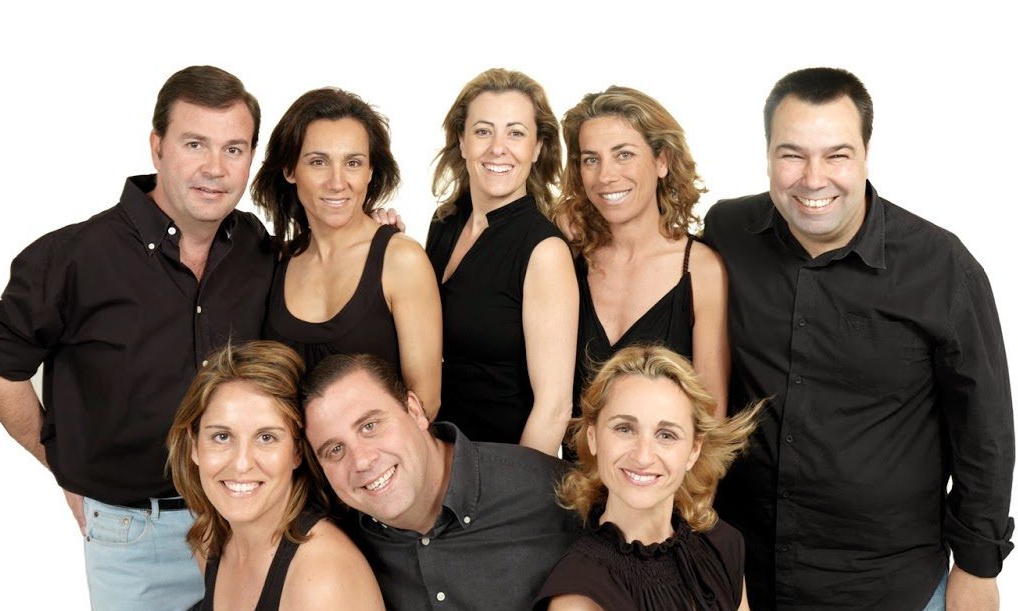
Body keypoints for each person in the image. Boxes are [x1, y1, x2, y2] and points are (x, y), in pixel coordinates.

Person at [705, 67, 1014, 610]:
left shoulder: (941, 266)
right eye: (792, 154)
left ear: (866, 154)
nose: (813, 178)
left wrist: (977, 567)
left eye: (837, 155)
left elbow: (984, 430)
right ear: (767, 154)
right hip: (744, 580)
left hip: (891, 587)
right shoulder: (728, 232)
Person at [0, 65, 274, 609]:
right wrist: (60, 463)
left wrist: (375, 234)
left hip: (247, 524)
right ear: (157, 147)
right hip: (136, 538)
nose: (215, 168)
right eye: (195, 144)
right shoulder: (77, 257)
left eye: (234, 149)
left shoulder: (253, 245)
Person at [300, 353, 581, 611]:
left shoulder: (555, 492)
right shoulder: (337, 550)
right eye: (335, 450)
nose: (361, 461)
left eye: (369, 426)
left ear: (414, 411)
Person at [251, 88, 442, 417]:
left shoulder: (401, 261)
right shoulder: (276, 261)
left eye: (353, 163)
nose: (337, 182)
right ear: (290, 170)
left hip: (381, 452)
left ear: (370, 171)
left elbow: (425, 403)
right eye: (318, 162)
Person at [535, 344, 761, 610]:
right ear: (593, 437)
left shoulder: (723, 544)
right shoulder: (579, 596)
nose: (643, 457)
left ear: (694, 450)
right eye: (625, 429)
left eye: (666, 435)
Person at [165, 340, 384, 611]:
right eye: (221, 436)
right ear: (194, 445)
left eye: (266, 437)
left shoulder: (322, 577)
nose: (241, 463)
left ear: (296, 452)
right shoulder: (210, 541)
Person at [425, 67, 577, 455]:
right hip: (437, 459)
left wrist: (513, 486)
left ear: (537, 148)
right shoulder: (445, 223)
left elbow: (555, 409)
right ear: (462, 141)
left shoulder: (544, 250)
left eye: (515, 133)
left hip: (500, 468)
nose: (498, 148)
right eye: (483, 131)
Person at [553, 86, 729, 417]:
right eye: (591, 159)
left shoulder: (702, 270)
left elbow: (711, 416)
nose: (605, 176)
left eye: (624, 155)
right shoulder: (566, 256)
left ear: (662, 161)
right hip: (561, 454)